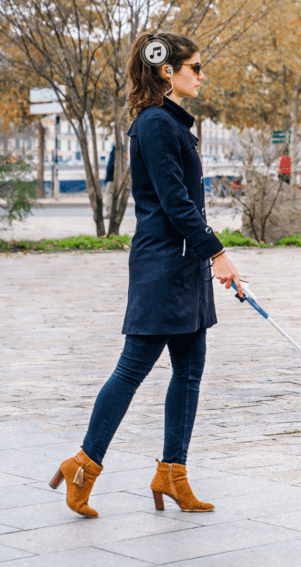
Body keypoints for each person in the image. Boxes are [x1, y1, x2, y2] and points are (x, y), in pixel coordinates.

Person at [49, 32, 242, 517]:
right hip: (161, 267)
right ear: (166, 71)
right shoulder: (155, 124)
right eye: (195, 67)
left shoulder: (175, 124)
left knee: (190, 372)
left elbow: (186, 204)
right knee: (133, 368)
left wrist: (206, 255)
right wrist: (218, 252)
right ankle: (84, 465)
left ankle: (171, 473)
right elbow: (175, 202)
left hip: (185, 267)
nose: (201, 75)